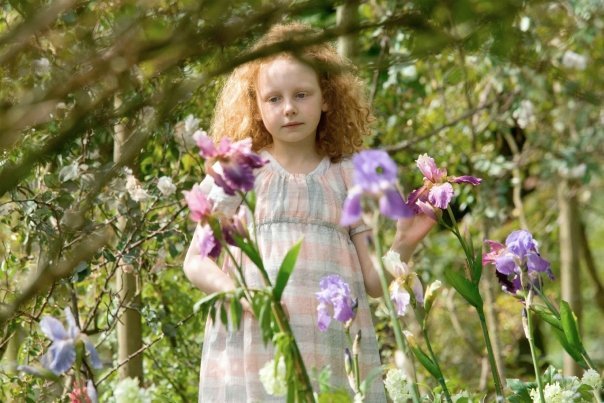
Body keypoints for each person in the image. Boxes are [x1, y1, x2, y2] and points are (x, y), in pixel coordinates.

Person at [183, 22, 435, 402]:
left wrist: (403, 245)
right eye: (274, 99)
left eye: (301, 94)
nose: (289, 109)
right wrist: (241, 295)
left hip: (334, 343)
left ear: (327, 97)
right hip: (257, 341)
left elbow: (371, 282)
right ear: (256, 104)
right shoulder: (240, 170)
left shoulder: (347, 175)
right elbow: (196, 263)